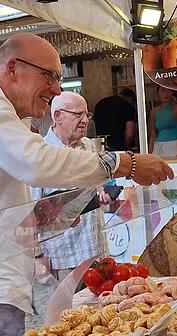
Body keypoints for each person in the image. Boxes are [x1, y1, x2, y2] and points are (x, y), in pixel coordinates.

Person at [0, 32, 173, 336]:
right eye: (50, 76)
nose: (56, 89)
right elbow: (35, 162)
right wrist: (124, 163)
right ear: (13, 68)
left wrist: (58, 213)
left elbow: (3, 205)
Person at [30, 92, 109, 281]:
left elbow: (95, 190)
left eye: (87, 115)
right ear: (58, 116)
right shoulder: (40, 154)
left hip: (98, 253)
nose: (85, 120)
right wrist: (37, 256)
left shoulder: (89, 146)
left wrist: (102, 194)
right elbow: (29, 212)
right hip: (64, 259)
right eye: (78, 114)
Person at [148, 86, 177, 158]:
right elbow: (153, 135)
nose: (166, 93)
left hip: (173, 146)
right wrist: (149, 155)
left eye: (169, 90)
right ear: (157, 93)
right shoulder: (154, 112)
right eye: (163, 90)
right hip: (157, 146)